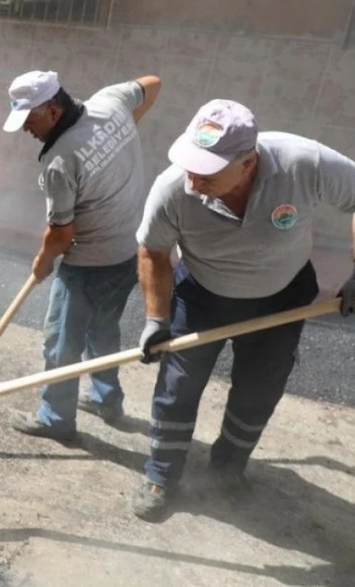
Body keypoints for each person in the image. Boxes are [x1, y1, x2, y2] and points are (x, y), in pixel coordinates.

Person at [131, 99, 355, 521]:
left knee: (259, 389)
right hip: (201, 295)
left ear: (248, 162)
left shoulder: (303, 163)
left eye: (208, 170)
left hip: (281, 296)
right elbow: (153, 251)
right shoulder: (174, 188)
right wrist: (156, 320)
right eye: (190, 164)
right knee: (178, 387)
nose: (194, 178)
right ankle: (161, 474)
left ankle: (227, 471)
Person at [2, 70, 161, 441]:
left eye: (30, 120)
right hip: (128, 252)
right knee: (103, 328)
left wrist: (42, 263)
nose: (27, 129)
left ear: (53, 112)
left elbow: (61, 234)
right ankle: (106, 400)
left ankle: (56, 417)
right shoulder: (111, 101)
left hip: (89, 264)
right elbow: (153, 83)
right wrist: (124, 131)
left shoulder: (60, 160)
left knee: (61, 342)